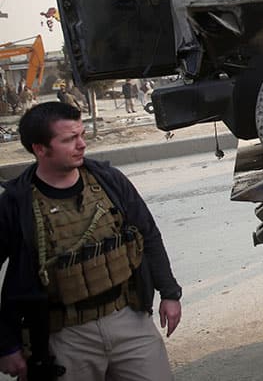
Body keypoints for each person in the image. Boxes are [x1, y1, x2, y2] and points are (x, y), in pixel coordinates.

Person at [0, 101, 182, 381]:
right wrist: (7, 343)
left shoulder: (109, 180)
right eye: (69, 139)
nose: (82, 144)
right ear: (40, 149)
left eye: (82, 135)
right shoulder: (16, 204)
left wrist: (169, 293)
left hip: (128, 319)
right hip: (64, 336)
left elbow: (148, 234)